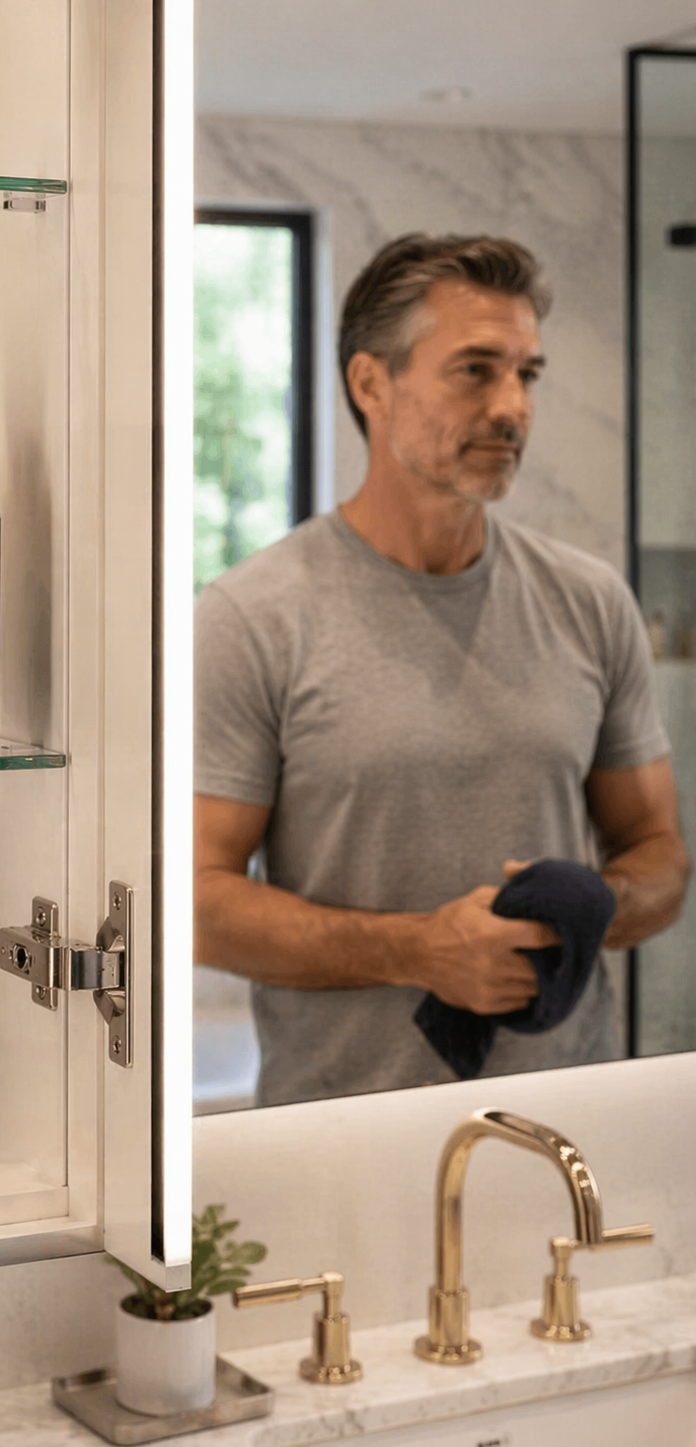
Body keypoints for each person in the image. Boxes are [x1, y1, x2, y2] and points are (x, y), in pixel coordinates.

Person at [194, 233, 690, 1105]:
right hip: (341, 1134)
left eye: (527, 374)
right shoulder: (253, 615)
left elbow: (658, 858)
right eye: (475, 369)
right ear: (370, 383)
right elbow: (195, 901)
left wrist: (588, 901)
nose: (512, 407)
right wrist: (418, 947)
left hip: (573, 1115)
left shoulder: (590, 600)